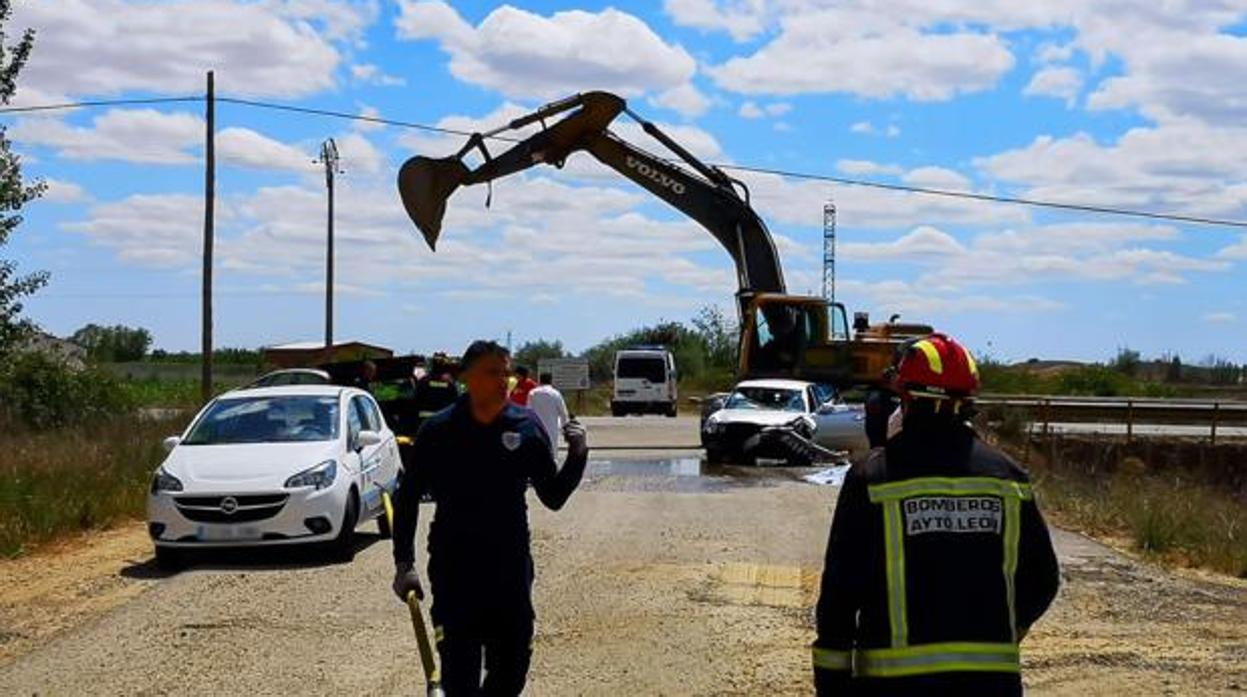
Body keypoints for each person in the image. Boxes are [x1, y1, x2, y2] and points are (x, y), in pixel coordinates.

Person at [811, 333, 1059, 696]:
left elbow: (840, 594)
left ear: (907, 398)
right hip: (990, 685)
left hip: (892, 686)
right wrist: (1004, 632)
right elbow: (1042, 580)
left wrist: (832, 684)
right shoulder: (1008, 477)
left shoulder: (873, 478)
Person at [390, 340, 589, 697]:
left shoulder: (526, 427)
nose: (504, 381)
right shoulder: (438, 431)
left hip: (509, 570)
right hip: (455, 572)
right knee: (460, 676)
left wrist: (577, 456)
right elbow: (406, 499)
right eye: (492, 372)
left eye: (507, 372)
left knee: (511, 670)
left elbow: (553, 497)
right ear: (467, 378)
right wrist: (404, 563)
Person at [527, 372, 569, 458]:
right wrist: (564, 429)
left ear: (539, 381)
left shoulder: (532, 393)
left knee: (536, 454)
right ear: (551, 381)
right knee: (552, 453)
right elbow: (563, 413)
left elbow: (528, 411)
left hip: (536, 429)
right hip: (552, 429)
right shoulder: (556, 393)